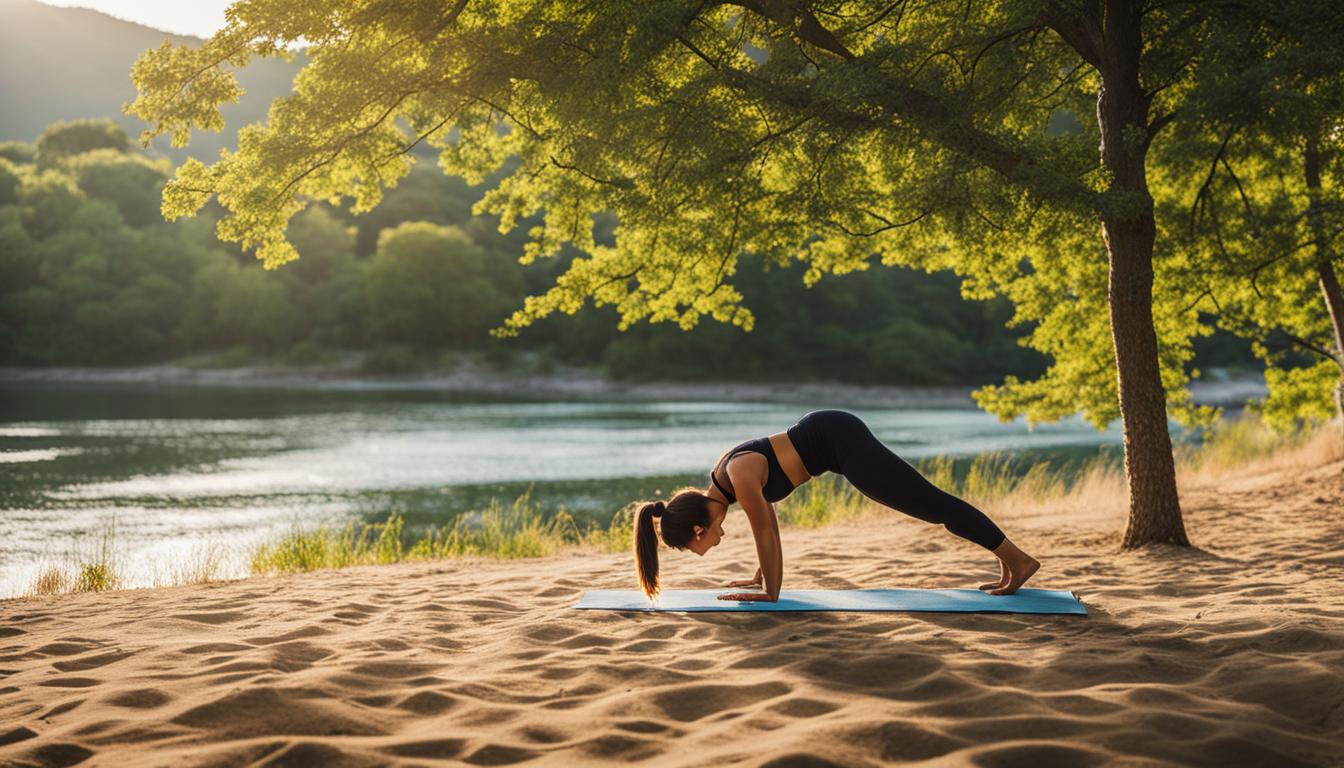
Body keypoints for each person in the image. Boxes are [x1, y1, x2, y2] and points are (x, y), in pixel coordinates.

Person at [633, 409, 1040, 602]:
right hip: (836, 443)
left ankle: (1017, 561)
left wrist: (771, 593)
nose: (698, 553)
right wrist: (759, 577)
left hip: (838, 441)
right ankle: (1009, 561)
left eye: (689, 548)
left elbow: (766, 532)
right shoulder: (727, 483)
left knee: (933, 505)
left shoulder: (735, 476)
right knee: (932, 505)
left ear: (698, 530)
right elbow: (768, 523)